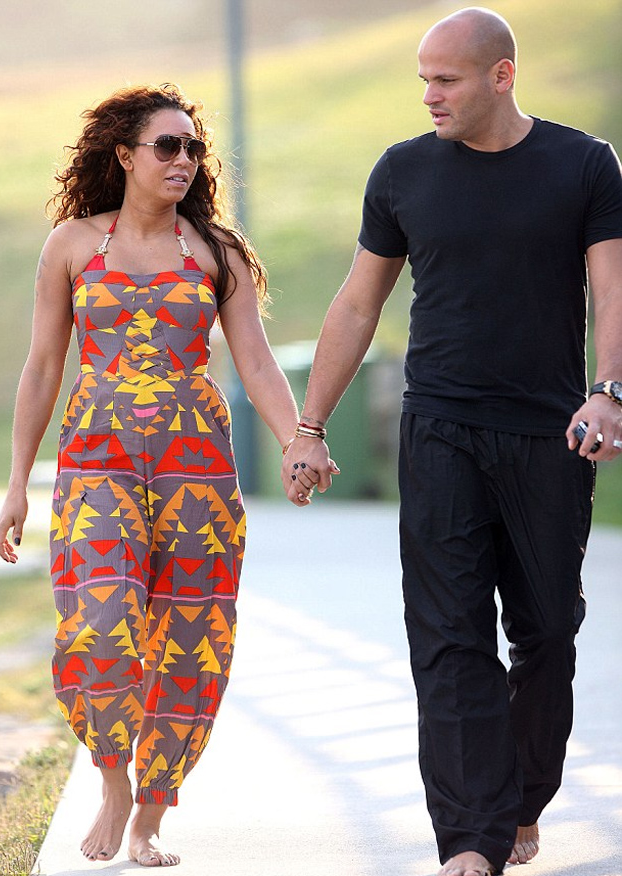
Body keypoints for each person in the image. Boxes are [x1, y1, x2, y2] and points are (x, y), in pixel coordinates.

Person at [281, 7, 622, 876]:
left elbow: (612, 289)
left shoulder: (584, 164)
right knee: (447, 634)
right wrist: (309, 427)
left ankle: (522, 798)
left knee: (547, 632)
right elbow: (358, 303)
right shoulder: (403, 172)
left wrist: (609, 390)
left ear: (501, 76)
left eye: (446, 79)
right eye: (423, 79)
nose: (429, 95)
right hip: (438, 428)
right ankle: (470, 838)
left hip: (547, 434)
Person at [0, 83, 302, 868]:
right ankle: (112, 782)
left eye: (194, 147)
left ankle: (151, 814)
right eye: (167, 145)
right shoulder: (72, 245)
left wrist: (298, 438)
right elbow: (42, 367)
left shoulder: (216, 253)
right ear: (125, 155)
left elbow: (256, 361)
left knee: (191, 639)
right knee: (100, 621)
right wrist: (17, 483)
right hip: (96, 459)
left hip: (196, 469)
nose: (184, 159)